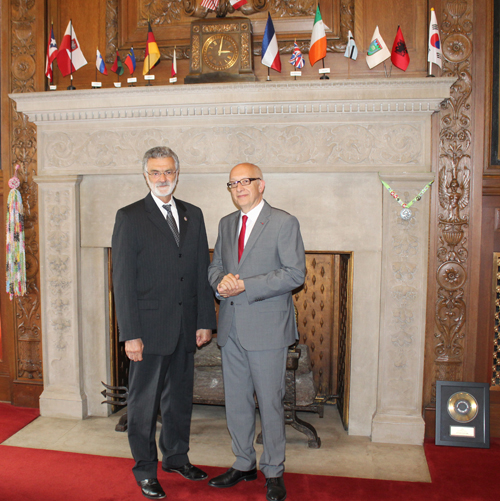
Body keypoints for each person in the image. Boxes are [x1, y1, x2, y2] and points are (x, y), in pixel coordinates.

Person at [111, 146, 216, 500]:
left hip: (186, 328)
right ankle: (144, 469)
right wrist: (131, 335)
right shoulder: (130, 217)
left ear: (177, 173)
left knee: (179, 401)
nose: (162, 178)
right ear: (145, 175)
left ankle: (175, 457)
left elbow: (201, 270)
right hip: (148, 330)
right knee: (143, 405)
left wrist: (205, 321)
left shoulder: (194, 215)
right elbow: (122, 282)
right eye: (155, 172)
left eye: (168, 171)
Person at [207, 163, 306, 501]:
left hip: (267, 329)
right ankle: (243, 462)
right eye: (233, 183)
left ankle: (274, 469)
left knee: (270, 402)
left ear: (261, 185)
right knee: (236, 402)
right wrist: (220, 283)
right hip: (232, 327)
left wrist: (245, 285)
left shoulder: (283, 222)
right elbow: (216, 266)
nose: (239, 187)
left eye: (245, 181)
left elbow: (295, 274)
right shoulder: (226, 223)